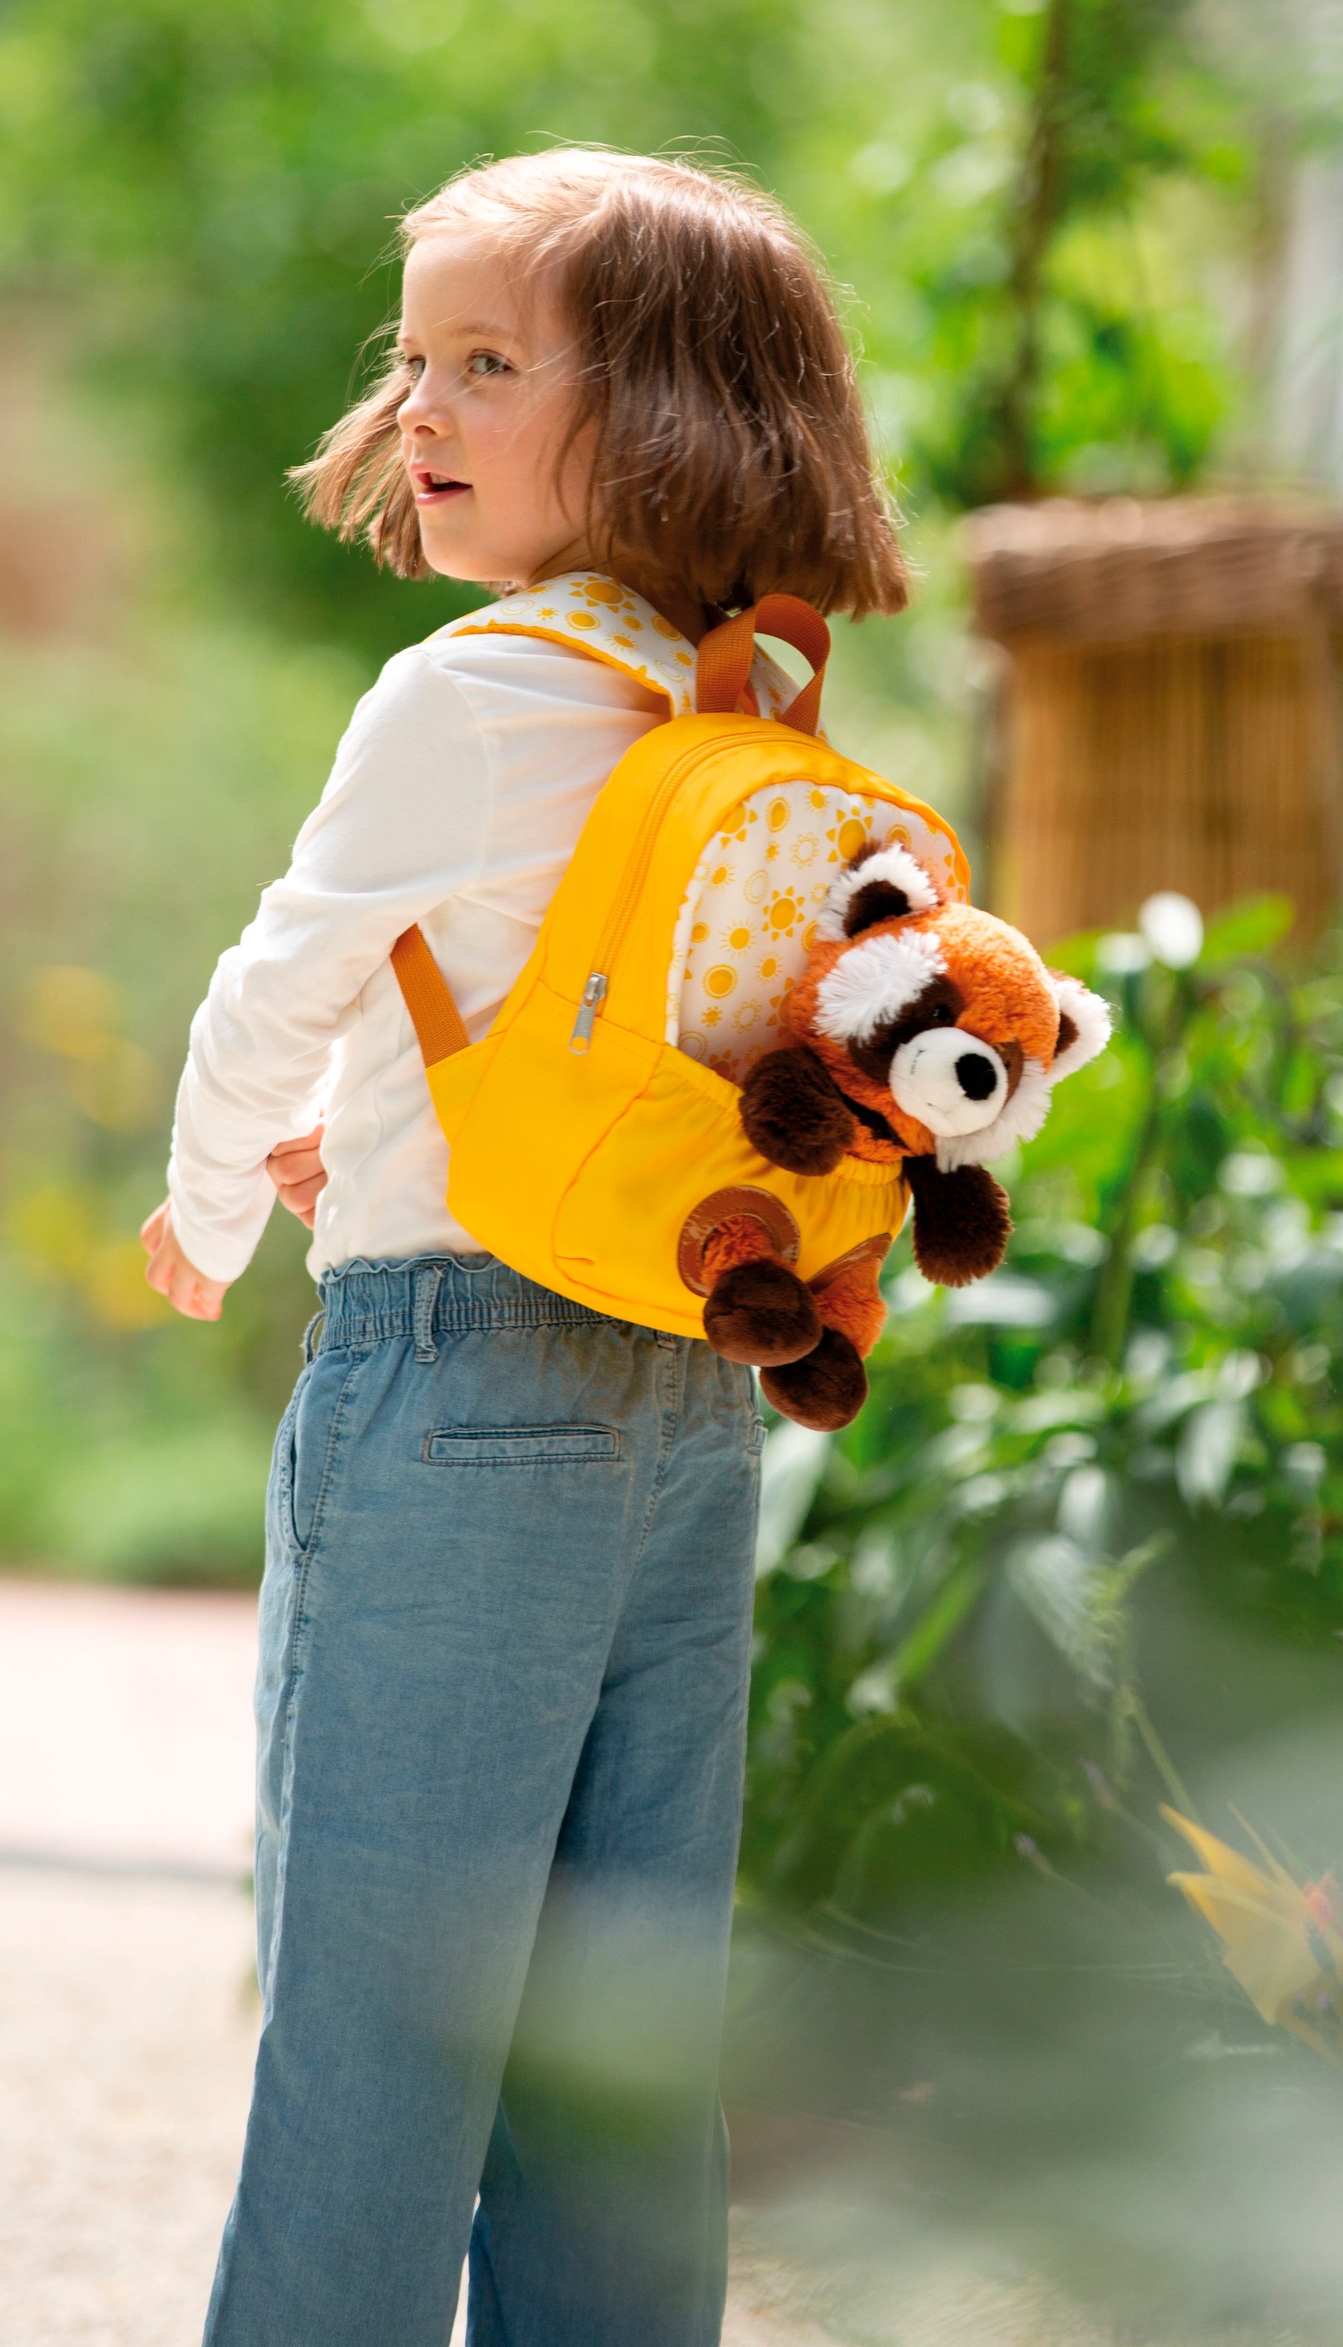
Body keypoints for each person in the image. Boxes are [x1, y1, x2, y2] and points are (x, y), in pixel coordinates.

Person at [140, 150, 910, 2347]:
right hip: (680, 1395)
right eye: (414, 360)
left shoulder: (467, 694)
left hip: (456, 1383)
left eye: (488, 360)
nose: (422, 407)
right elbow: (595, 1052)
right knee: (615, 2040)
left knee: (378, 2027)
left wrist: (204, 1206)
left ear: (666, 412)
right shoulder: (738, 708)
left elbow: (275, 981)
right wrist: (361, 1140)